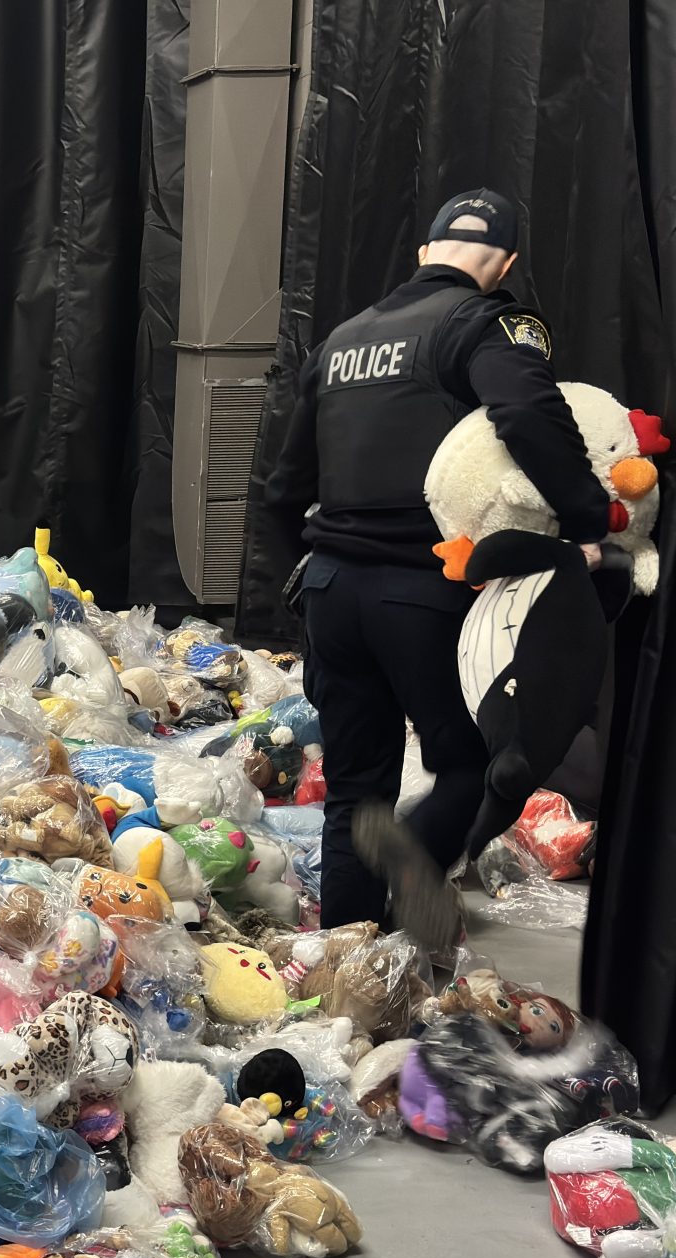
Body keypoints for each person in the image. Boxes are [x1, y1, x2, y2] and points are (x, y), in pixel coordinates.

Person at [257, 190, 609, 946]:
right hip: (422, 592)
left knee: (355, 790)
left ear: (424, 252)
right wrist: (589, 520)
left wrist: (303, 580)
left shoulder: (343, 341)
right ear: (507, 264)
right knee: (480, 766)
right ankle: (414, 859)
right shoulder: (484, 323)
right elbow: (525, 411)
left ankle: (350, 970)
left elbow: (281, 488)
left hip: (331, 589)